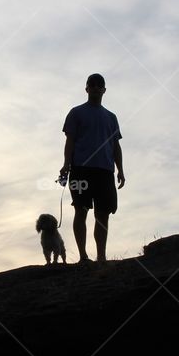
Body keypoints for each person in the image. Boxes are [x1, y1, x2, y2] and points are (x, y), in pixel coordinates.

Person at [59, 73, 125, 263]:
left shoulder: (111, 117)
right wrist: (66, 164)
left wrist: (120, 169)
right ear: (86, 88)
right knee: (81, 210)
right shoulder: (76, 112)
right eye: (92, 84)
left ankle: (101, 257)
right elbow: (69, 141)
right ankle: (83, 257)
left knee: (103, 214)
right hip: (81, 169)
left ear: (104, 89)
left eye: (99, 85)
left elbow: (116, 145)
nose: (96, 88)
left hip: (105, 171)